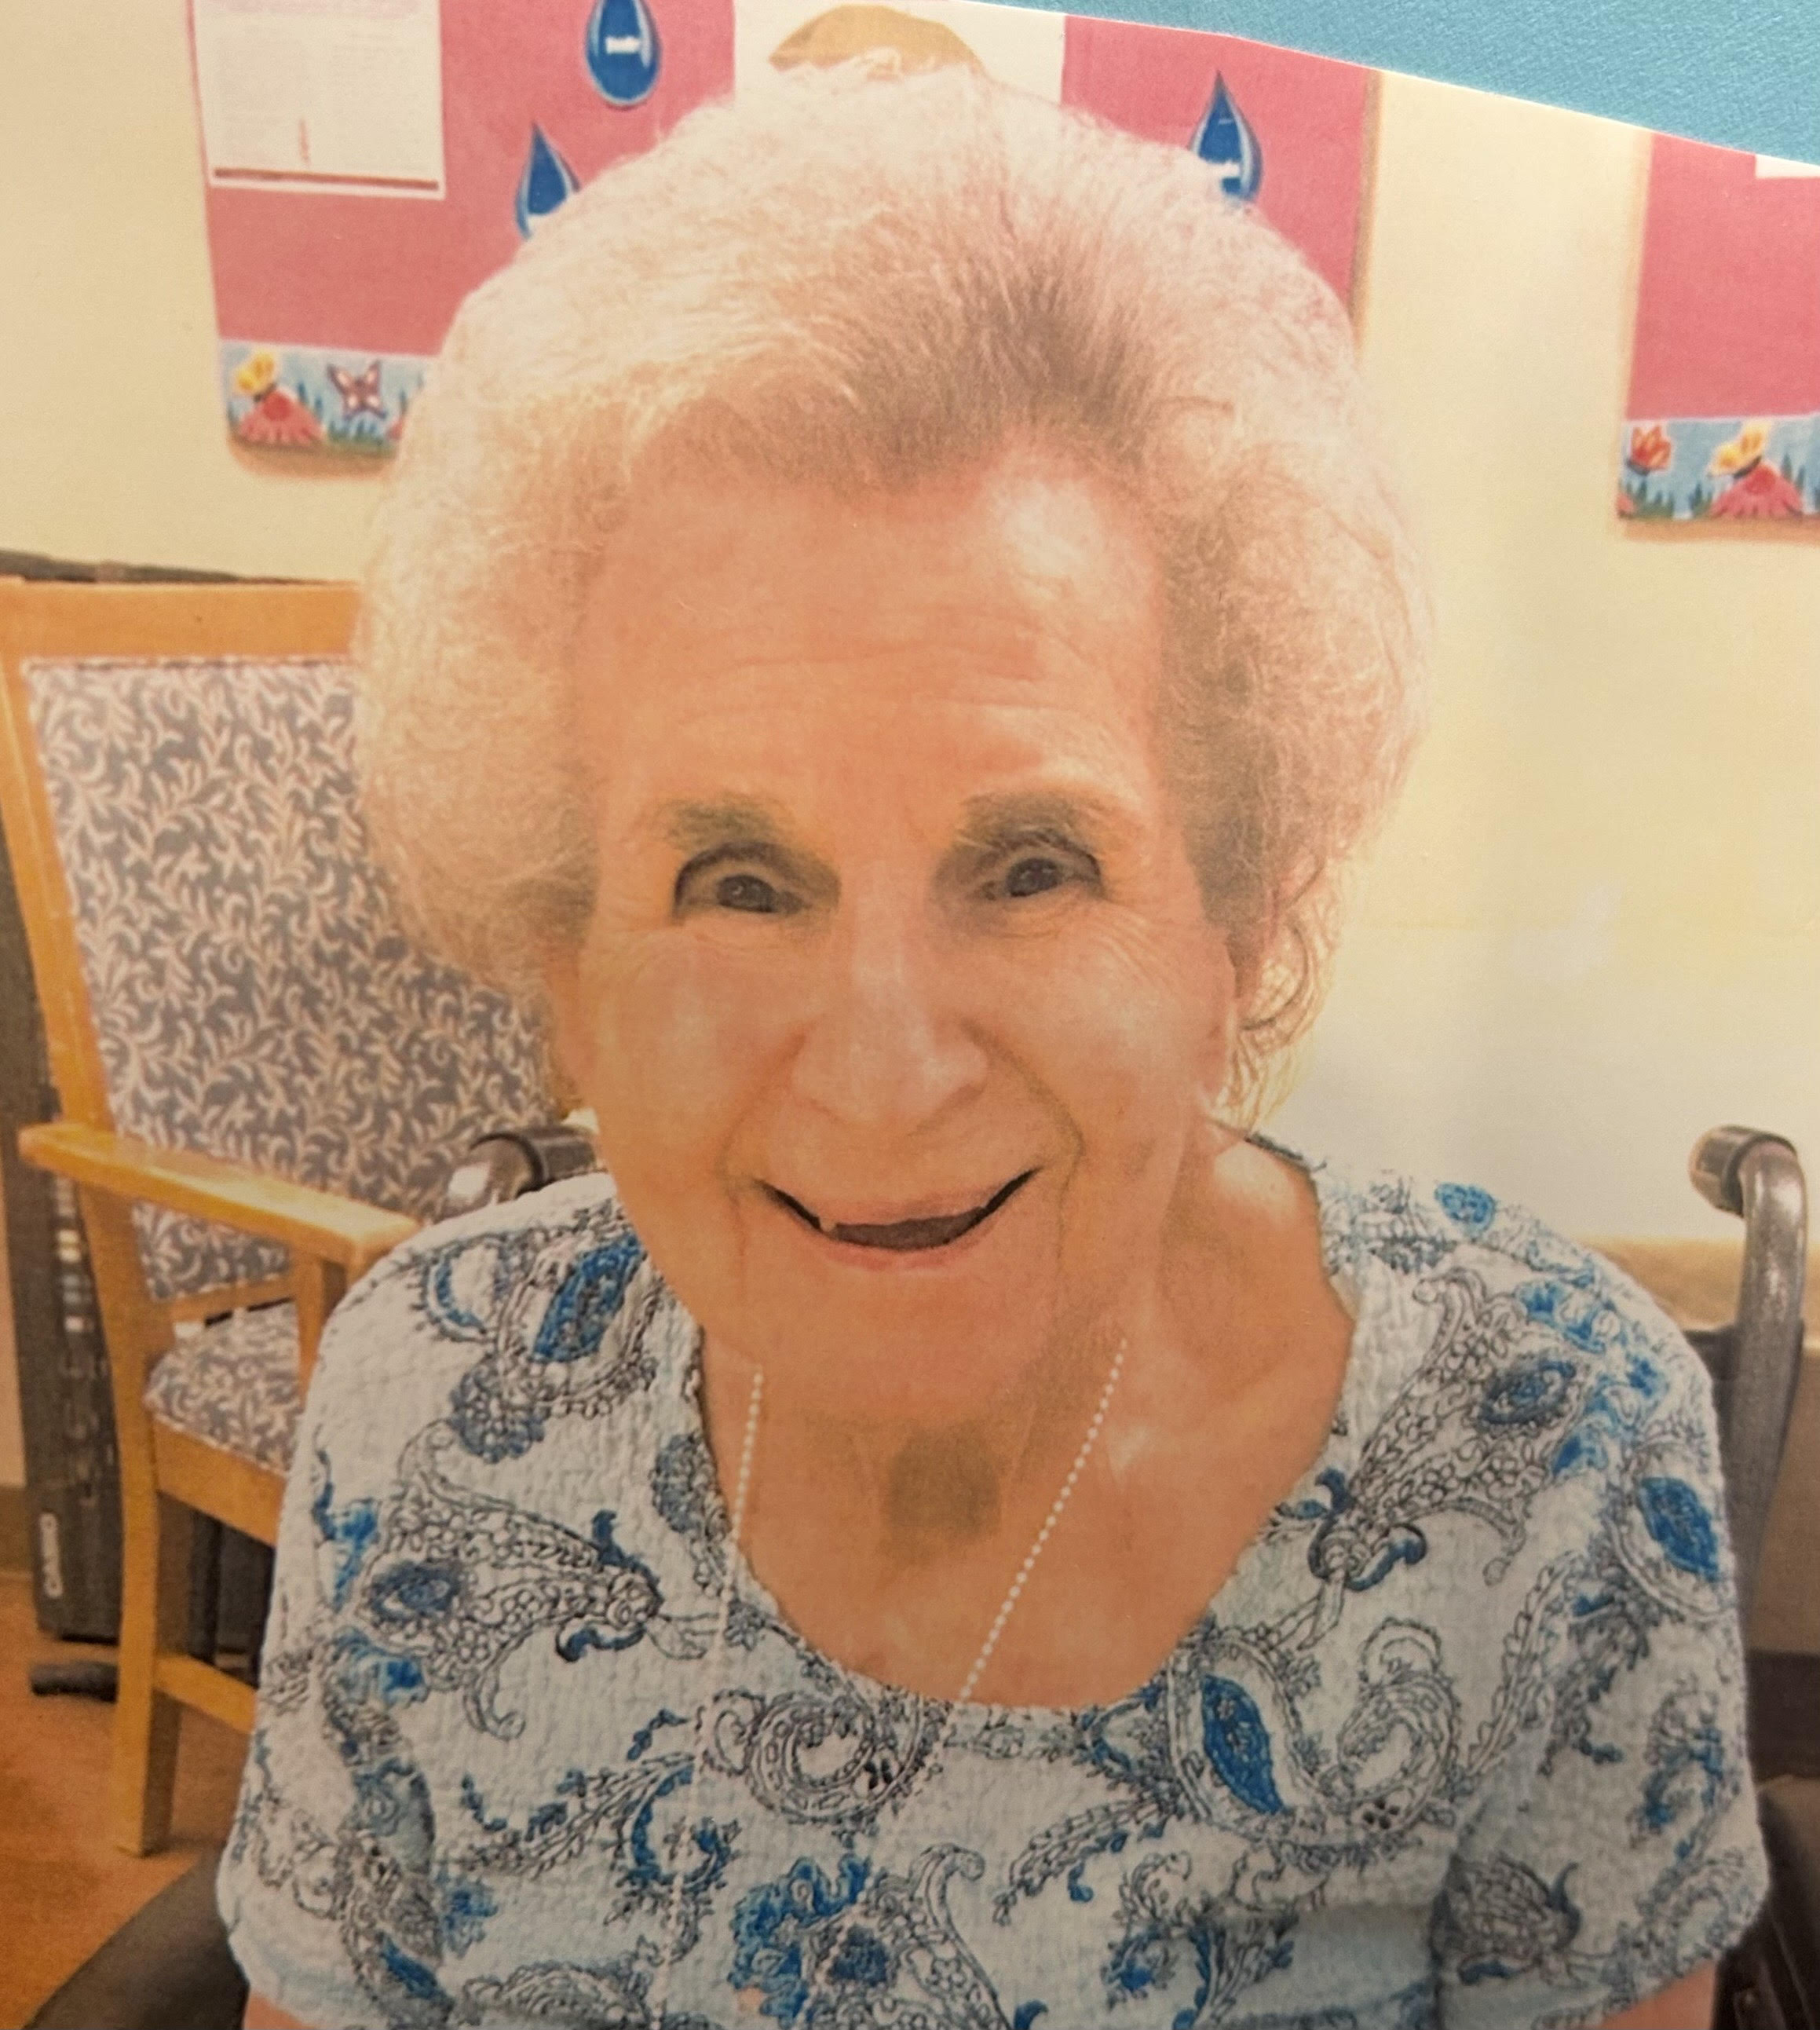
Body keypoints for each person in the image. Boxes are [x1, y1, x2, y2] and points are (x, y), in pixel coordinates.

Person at [225, 56, 1764, 2030]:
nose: (884, 1074)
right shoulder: (429, 1411)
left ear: (1238, 924)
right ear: (568, 966)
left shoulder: (1543, 1460)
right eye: (736, 882)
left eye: (1034, 867)